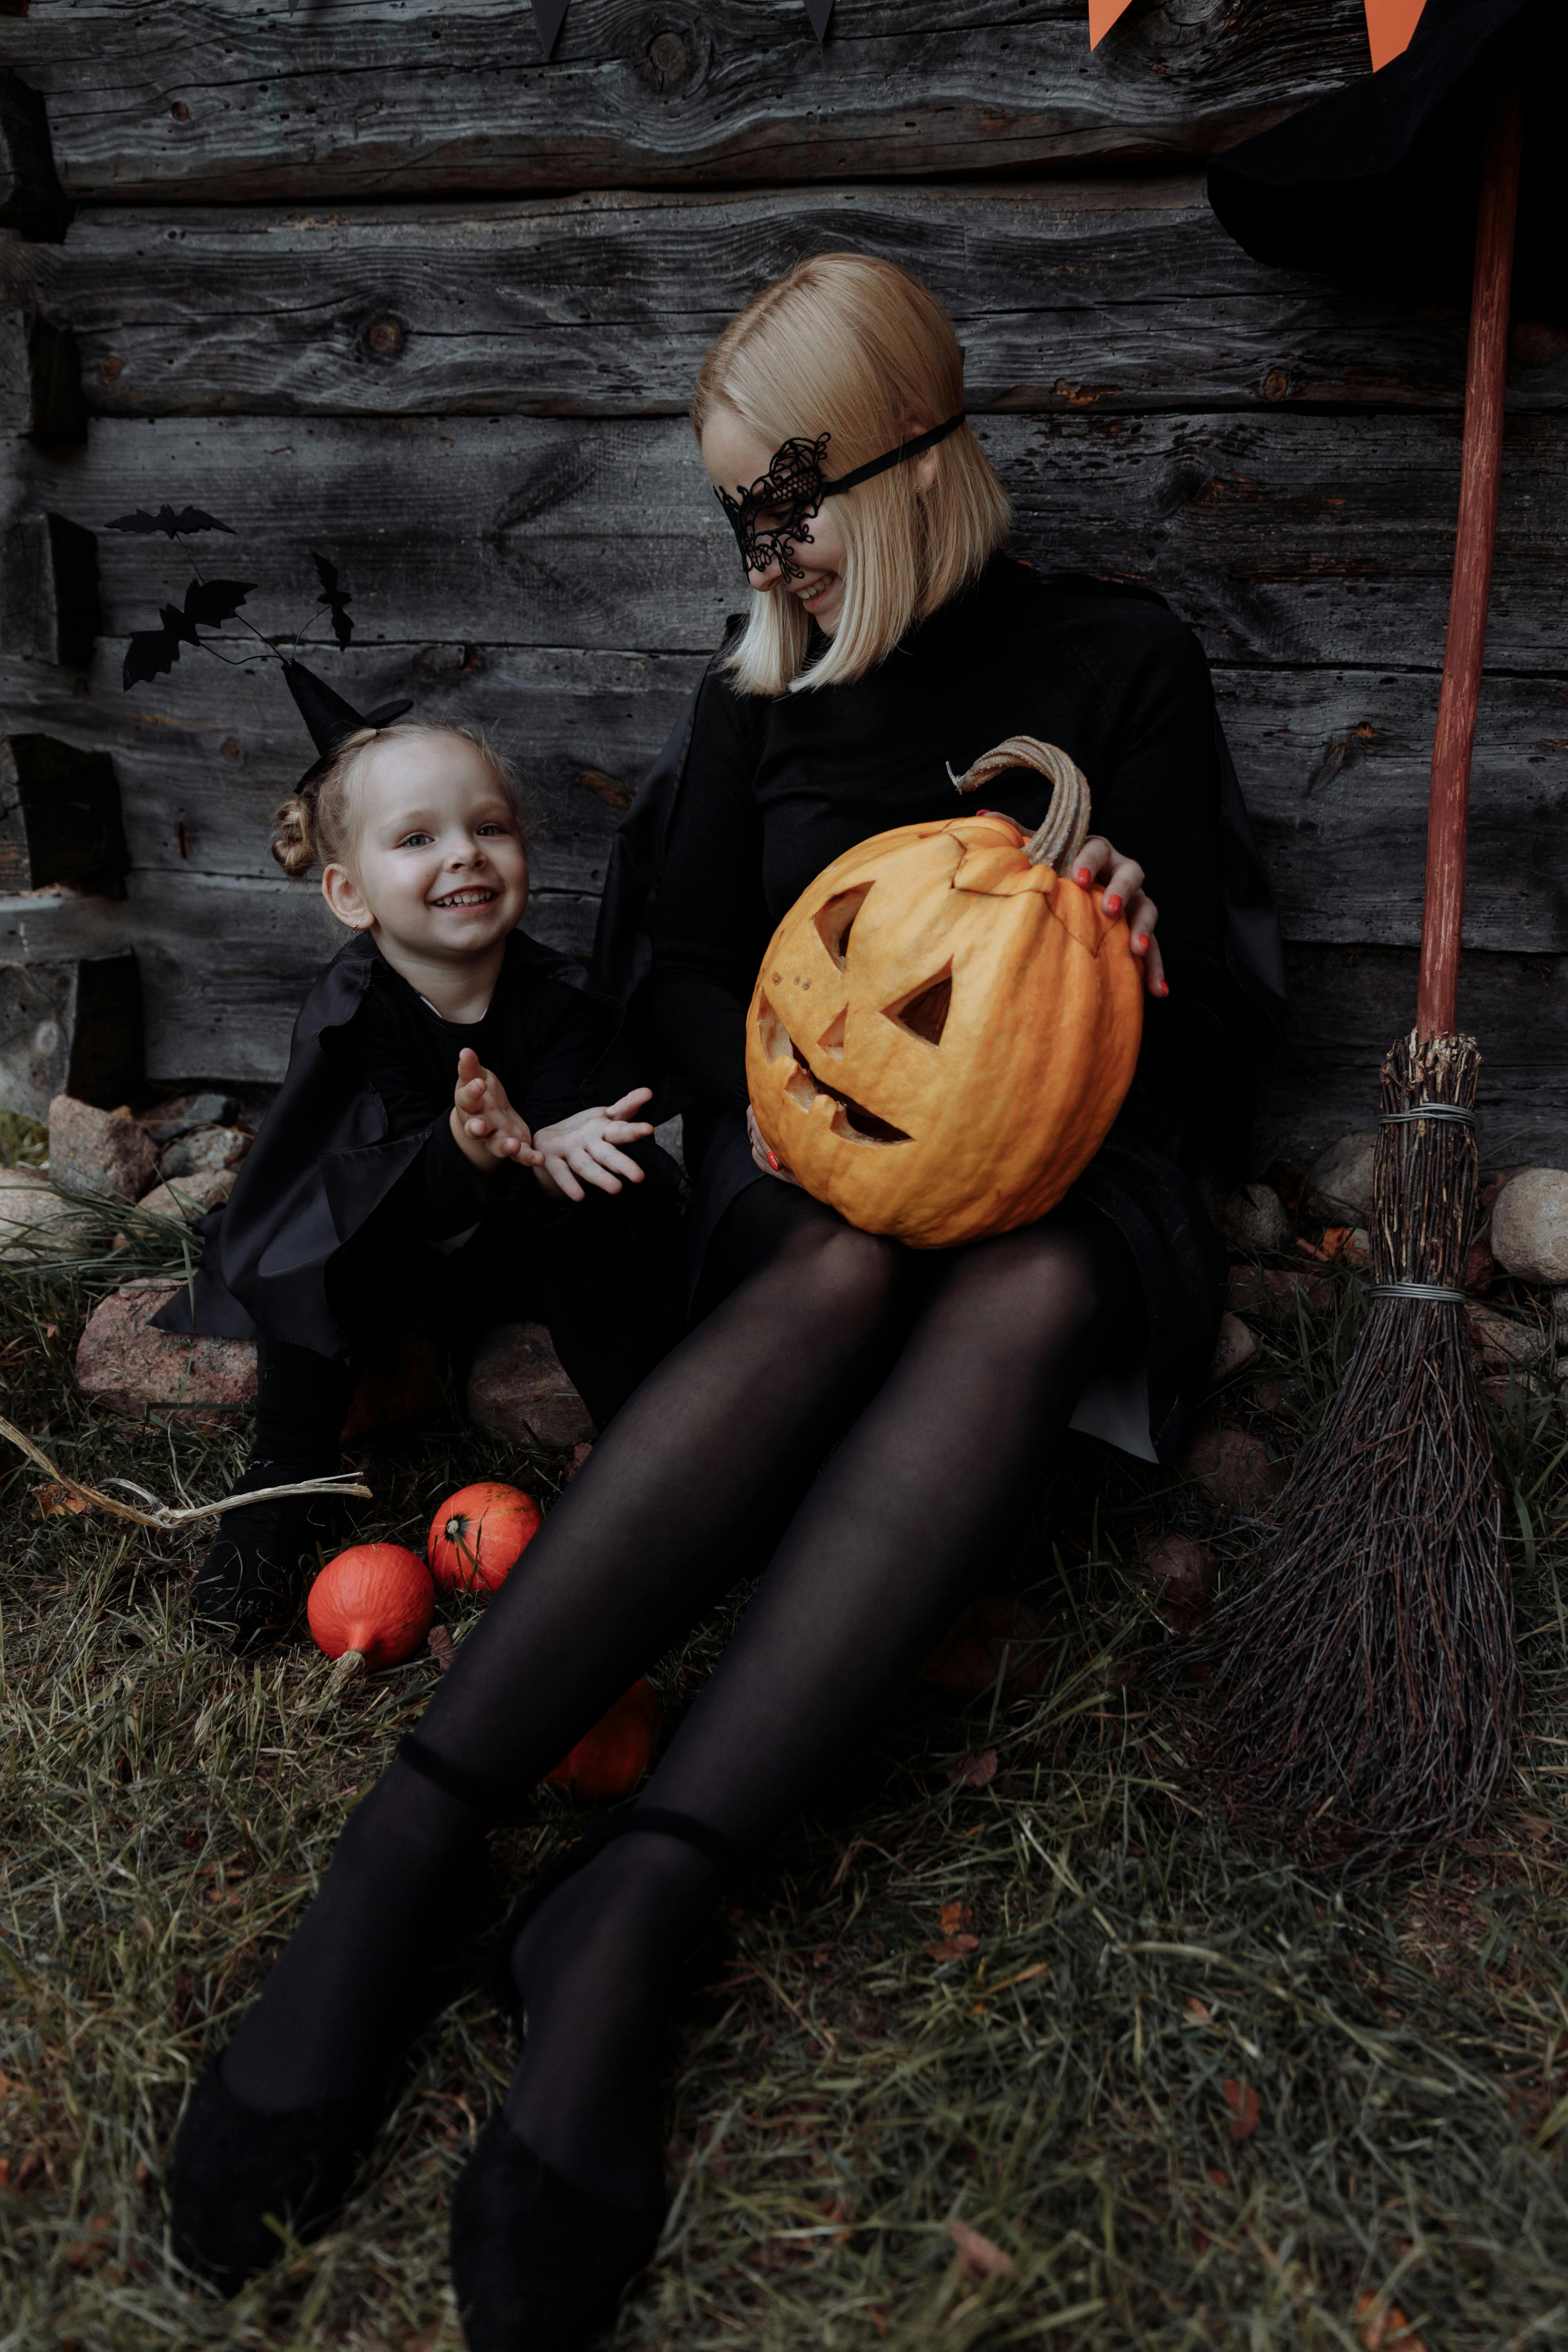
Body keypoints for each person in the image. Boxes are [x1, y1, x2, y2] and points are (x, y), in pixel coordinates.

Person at [169, 255, 1283, 2345]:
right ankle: (408, 1854)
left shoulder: (1117, 666)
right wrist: (759, 1071)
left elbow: (1214, 1050)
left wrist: (1138, 937)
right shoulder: (762, 681)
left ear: (908, 462)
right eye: (737, 523)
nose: (762, 555)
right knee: (849, 1257)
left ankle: (635, 1909)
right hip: (797, 1166)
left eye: (787, 507)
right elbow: (672, 970)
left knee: (1030, 1290)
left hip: (1058, 1177)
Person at [181, 716, 680, 1646]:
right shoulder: (353, 1013)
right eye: (418, 839)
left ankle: (641, 1460)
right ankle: (281, 1479)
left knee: (607, 1186)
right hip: (387, 1248)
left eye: (489, 828)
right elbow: (370, 1176)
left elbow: (578, 1104)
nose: (466, 856)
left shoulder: (560, 995)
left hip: (502, 1254)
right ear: (350, 894)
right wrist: (472, 1145)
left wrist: (563, 1137)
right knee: (317, 1246)